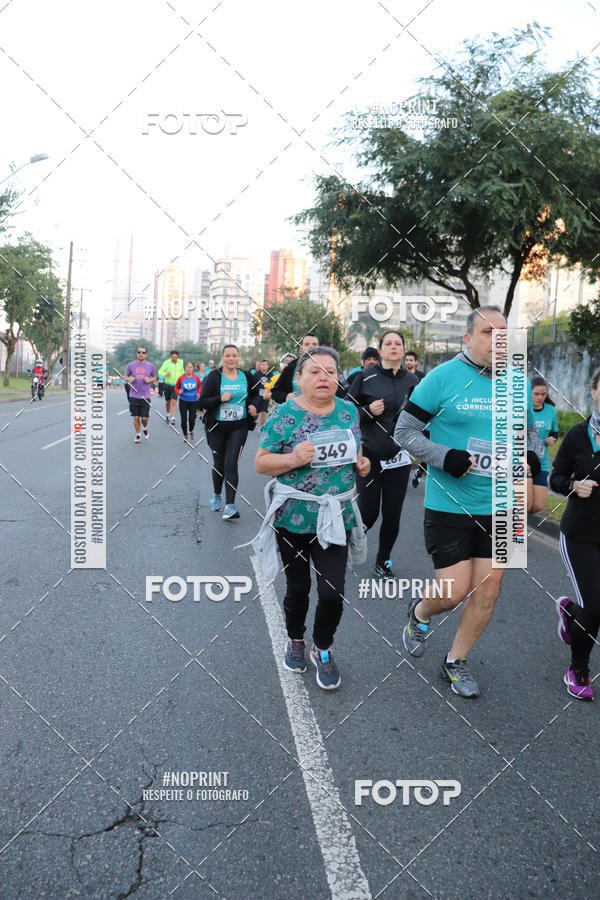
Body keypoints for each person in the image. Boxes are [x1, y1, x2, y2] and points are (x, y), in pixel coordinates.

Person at [394, 306, 541, 698]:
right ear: (468, 339)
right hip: (450, 504)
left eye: (504, 333)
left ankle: (454, 662)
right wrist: (444, 456)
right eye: (489, 333)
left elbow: (529, 432)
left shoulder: (517, 381)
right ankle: (419, 613)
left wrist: (531, 456)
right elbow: (404, 431)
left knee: (489, 589)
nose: (499, 341)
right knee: (453, 592)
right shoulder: (441, 379)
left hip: (503, 504)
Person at [251, 347, 370, 689]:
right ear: (299, 379)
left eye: (330, 372)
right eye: (315, 372)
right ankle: (296, 639)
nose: (324, 378)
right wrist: (292, 459)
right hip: (294, 518)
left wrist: (363, 464)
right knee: (299, 588)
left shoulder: (348, 412)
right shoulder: (284, 415)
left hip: (336, 518)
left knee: (332, 591)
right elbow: (261, 462)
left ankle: (323, 646)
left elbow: (355, 452)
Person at [346, 331, 417, 579]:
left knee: (393, 512)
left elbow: (425, 415)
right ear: (380, 350)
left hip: (399, 457)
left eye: (398, 343)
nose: (394, 347)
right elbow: (345, 413)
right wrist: (367, 411)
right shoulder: (365, 377)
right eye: (389, 343)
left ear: (404, 350)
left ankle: (383, 559)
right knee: (368, 512)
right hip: (371, 455)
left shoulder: (414, 381)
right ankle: (346, 543)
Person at [550, 367, 600, 700]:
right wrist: (573, 486)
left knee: (590, 606)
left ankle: (570, 614)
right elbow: (555, 478)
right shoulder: (579, 436)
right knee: (595, 606)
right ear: (594, 392)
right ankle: (578, 669)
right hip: (580, 535)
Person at [198, 345, 261, 519]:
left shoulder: (246, 376)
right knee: (219, 463)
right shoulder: (213, 377)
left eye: (234, 355)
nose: (231, 358)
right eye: (228, 355)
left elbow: (258, 394)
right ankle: (217, 496)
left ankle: (230, 506)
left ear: (238, 358)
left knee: (231, 463)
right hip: (216, 426)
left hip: (238, 426)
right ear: (223, 357)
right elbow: (202, 402)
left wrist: (254, 405)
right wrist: (220, 398)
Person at [528, 375, 559, 513]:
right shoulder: (521, 409)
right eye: (536, 394)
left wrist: (553, 439)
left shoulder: (550, 410)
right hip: (523, 462)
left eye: (543, 394)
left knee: (538, 505)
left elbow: (555, 432)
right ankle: (516, 528)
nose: (540, 397)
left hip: (542, 463)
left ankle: (518, 520)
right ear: (529, 392)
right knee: (525, 503)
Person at [271, 334, 320, 404]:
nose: (311, 347)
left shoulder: (328, 366)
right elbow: (275, 392)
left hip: (321, 412)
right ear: (301, 348)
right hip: (296, 412)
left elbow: (339, 392)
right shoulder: (291, 367)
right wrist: (286, 397)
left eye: (314, 344)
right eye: (307, 344)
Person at [124, 346, 157, 444]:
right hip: (133, 395)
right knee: (135, 417)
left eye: (143, 352)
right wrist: (129, 379)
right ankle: (138, 435)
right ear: (137, 353)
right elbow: (125, 376)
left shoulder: (151, 366)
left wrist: (149, 380)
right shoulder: (131, 365)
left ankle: (145, 428)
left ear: (146, 354)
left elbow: (155, 377)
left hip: (145, 396)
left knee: (144, 418)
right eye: (139, 352)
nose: (141, 354)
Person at [175, 361, 202, 443]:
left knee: (192, 419)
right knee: (183, 419)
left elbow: (200, 387)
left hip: (193, 402)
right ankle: (185, 435)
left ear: (193, 368)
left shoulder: (196, 378)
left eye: (190, 367)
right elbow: (176, 388)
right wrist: (178, 391)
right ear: (185, 368)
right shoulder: (181, 378)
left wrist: (198, 393)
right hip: (183, 401)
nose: (189, 369)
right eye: (187, 367)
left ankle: (191, 430)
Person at [157, 350, 185, 424]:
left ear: (178, 357)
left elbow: (183, 374)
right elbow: (160, 372)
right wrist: (165, 373)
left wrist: (183, 384)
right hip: (167, 385)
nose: (174, 358)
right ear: (171, 357)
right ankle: (168, 414)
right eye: (173, 357)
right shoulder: (166, 362)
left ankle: (173, 418)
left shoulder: (181, 362)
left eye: (175, 357)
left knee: (174, 402)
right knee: (168, 402)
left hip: (176, 386)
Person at [254, 359, 272, 430]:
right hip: (257, 396)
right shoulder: (256, 375)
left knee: (264, 413)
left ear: (267, 366)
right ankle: (252, 423)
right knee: (255, 413)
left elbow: (273, 385)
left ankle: (261, 428)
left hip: (266, 396)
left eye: (265, 364)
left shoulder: (270, 375)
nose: (264, 366)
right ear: (260, 366)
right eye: (262, 364)